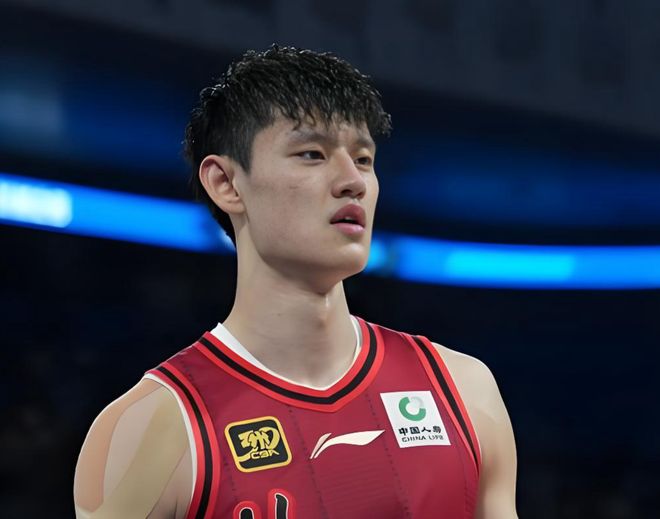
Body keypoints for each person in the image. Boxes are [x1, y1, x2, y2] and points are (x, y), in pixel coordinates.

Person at [74, 45, 518, 519]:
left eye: (363, 159)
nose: (353, 181)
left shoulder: (463, 391)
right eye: (312, 154)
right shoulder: (151, 428)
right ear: (226, 183)